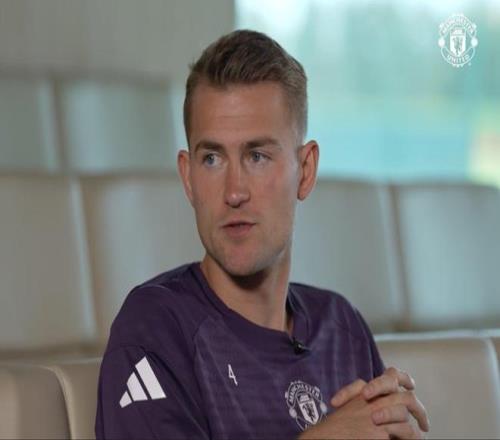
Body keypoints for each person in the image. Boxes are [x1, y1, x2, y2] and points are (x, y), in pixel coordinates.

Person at [95, 29, 429, 439]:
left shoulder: (342, 328)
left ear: (305, 171)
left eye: (257, 156)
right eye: (212, 158)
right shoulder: (156, 327)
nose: (234, 192)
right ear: (188, 177)